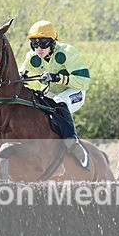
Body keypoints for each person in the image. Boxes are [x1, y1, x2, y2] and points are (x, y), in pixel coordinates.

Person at [19, 20, 91, 168]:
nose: (38, 48)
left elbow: (84, 82)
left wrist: (57, 77)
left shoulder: (67, 52)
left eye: (43, 43)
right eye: (34, 43)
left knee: (59, 101)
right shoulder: (31, 57)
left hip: (74, 92)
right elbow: (20, 75)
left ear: (53, 42)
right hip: (51, 94)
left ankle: (73, 143)